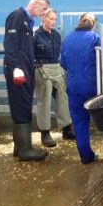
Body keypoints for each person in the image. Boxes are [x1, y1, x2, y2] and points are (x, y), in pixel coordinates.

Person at [3, 0, 49, 161]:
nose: (44, 13)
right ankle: (25, 149)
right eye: (43, 9)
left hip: (24, 69)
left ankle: (19, 146)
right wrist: (16, 68)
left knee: (22, 104)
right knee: (21, 105)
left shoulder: (28, 22)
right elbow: (10, 44)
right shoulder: (17, 16)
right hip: (18, 70)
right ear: (36, 4)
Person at [60, 13, 101, 164]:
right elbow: (102, 61)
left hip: (73, 87)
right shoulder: (95, 38)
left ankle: (86, 156)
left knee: (79, 122)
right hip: (92, 86)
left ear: (79, 22)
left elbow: (63, 63)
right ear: (93, 24)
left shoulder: (68, 39)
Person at [33, 8, 75, 148]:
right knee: (44, 101)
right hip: (41, 68)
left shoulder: (57, 35)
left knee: (63, 97)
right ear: (43, 19)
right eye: (50, 19)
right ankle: (45, 133)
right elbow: (30, 55)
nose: (53, 21)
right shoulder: (36, 36)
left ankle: (66, 128)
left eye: (55, 19)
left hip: (56, 68)